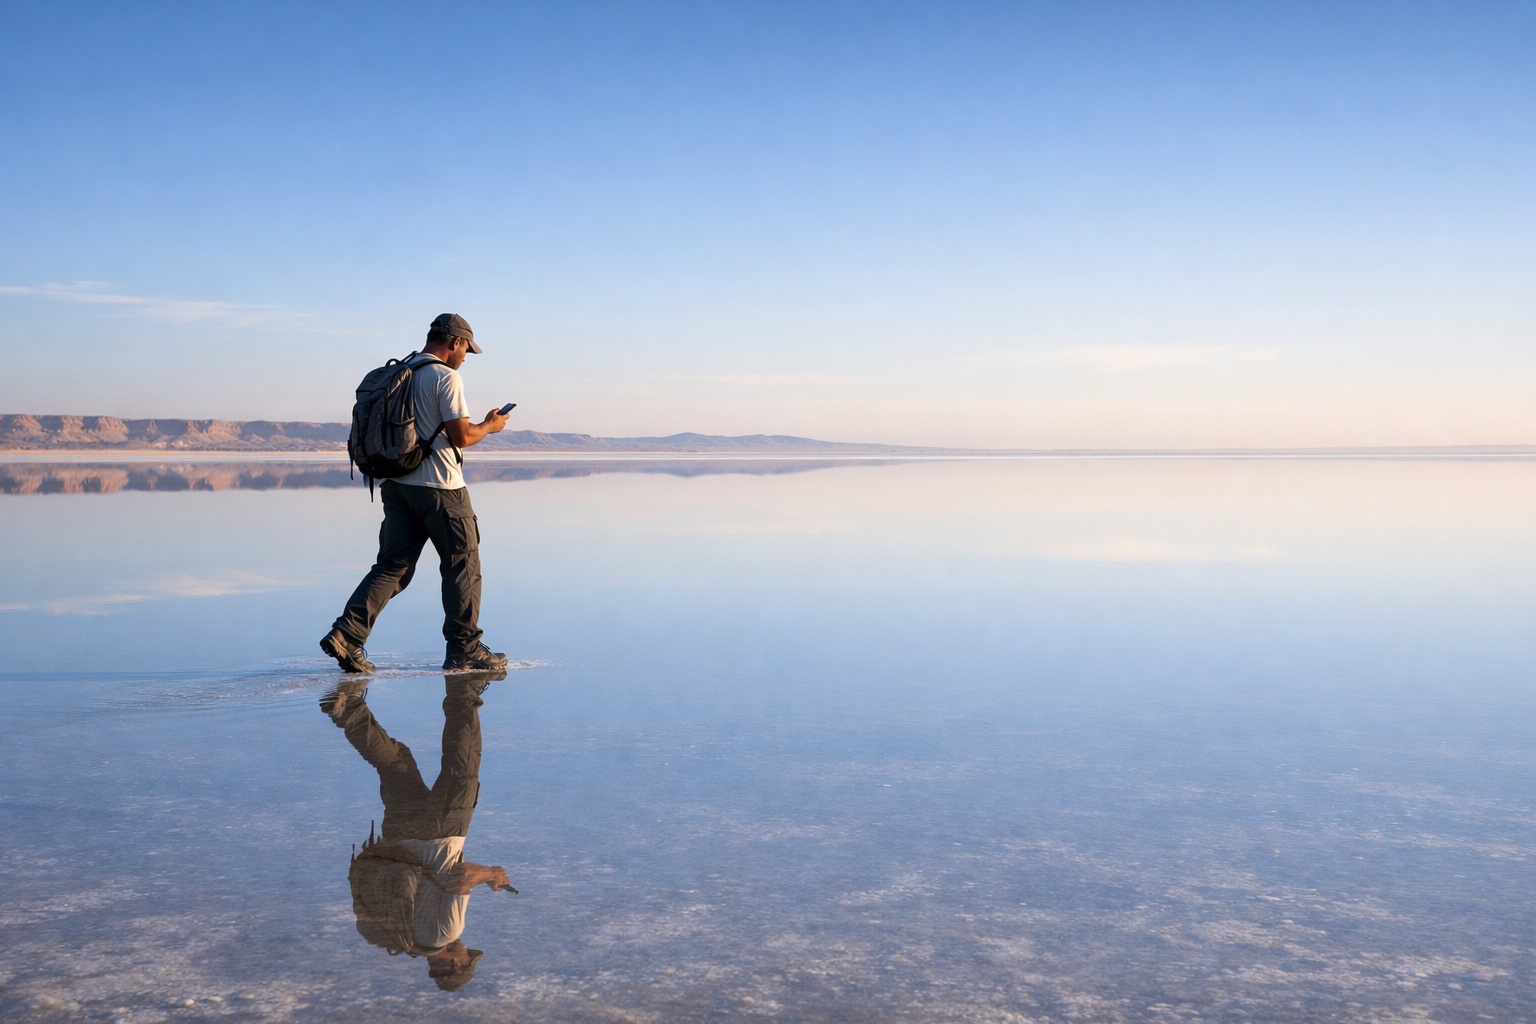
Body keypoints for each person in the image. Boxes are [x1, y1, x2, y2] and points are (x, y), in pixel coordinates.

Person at [320, 313, 511, 673]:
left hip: (396, 486)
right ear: (455, 342)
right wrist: (490, 425)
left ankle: (347, 635)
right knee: (463, 566)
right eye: (466, 350)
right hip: (441, 488)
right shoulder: (446, 377)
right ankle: (465, 649)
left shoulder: (401, 372)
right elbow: (461, 436)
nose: (466, 357)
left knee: (393, 567)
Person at [323, 673, 516, 991]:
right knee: (395, 764)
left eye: (467, 956)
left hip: (440, 833)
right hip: (398, 836)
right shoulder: (404, 939)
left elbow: (461, 876)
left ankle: (466, 681)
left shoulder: (446, 933)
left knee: (463, 762)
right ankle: (346, 708)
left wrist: (491, 874)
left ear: (454, 963)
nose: (466, 949)